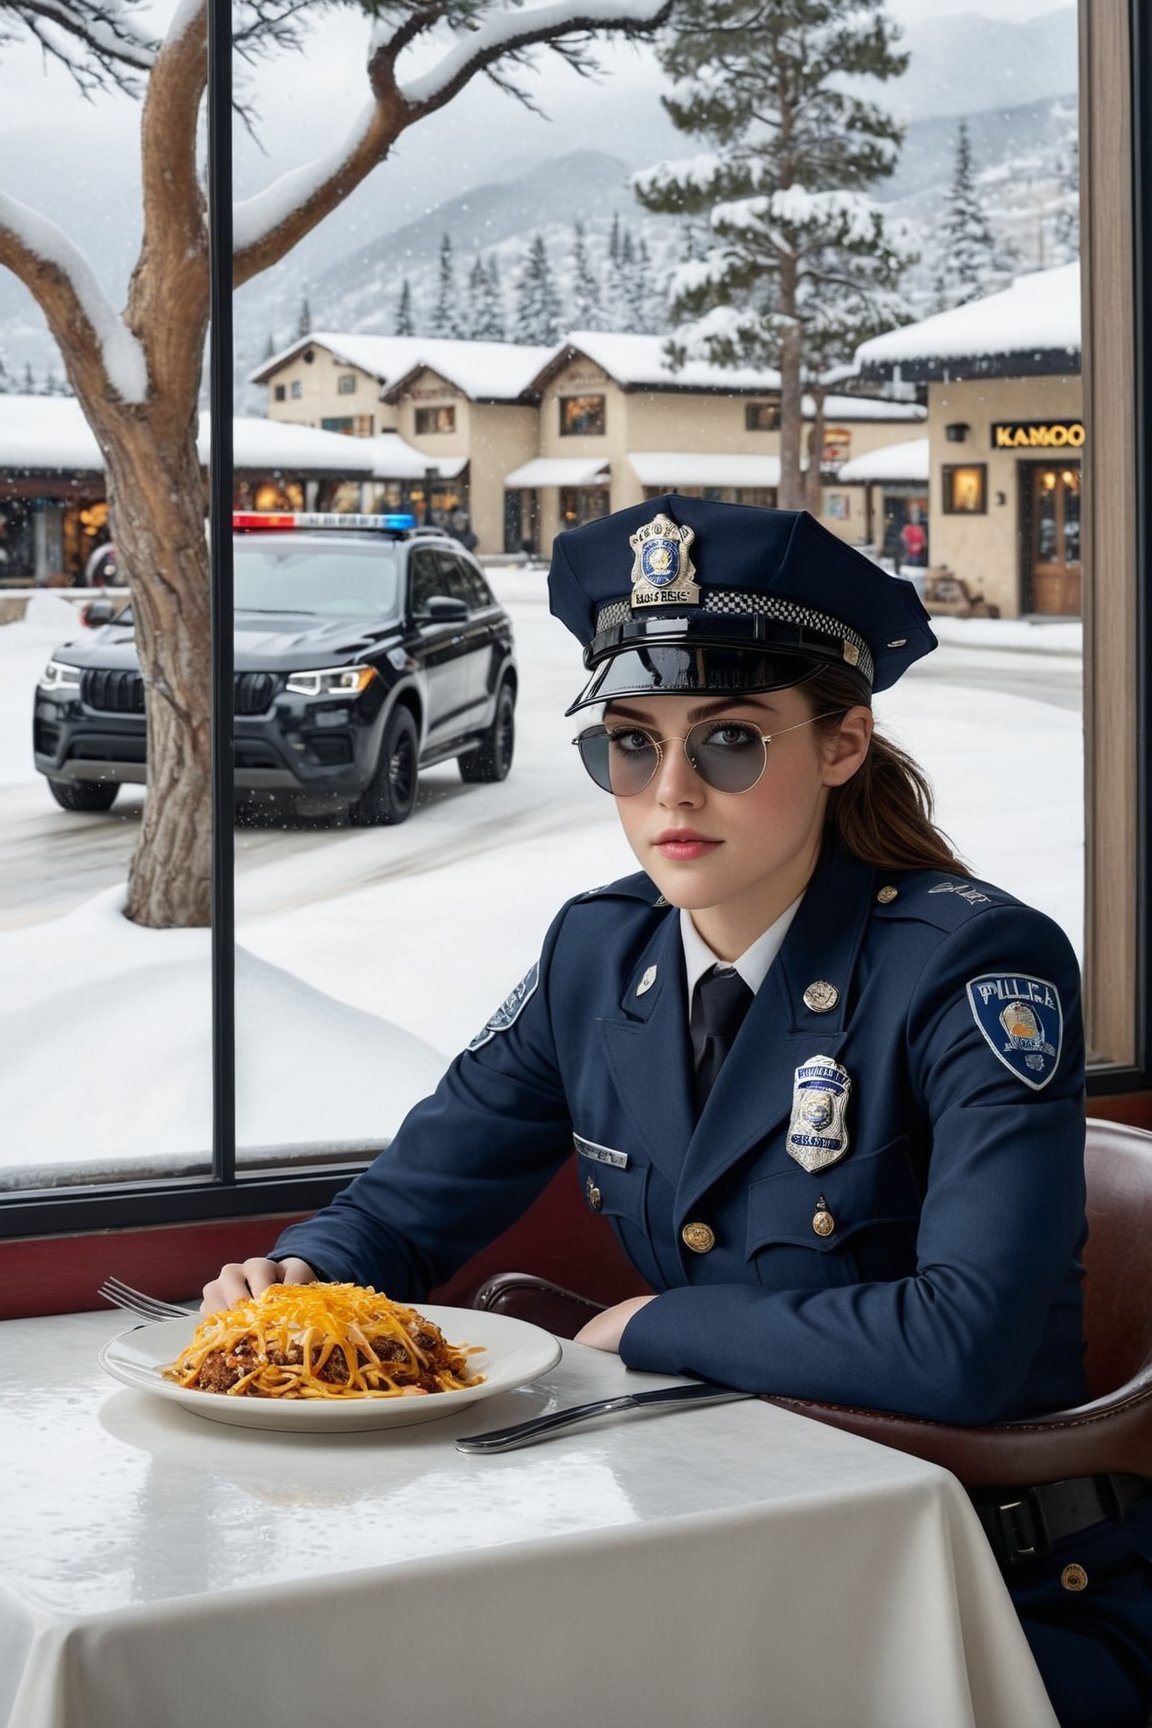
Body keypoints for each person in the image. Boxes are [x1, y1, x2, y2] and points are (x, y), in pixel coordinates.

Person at [205, 495, 1151, 1728]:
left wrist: (658, 1320)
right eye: (630, 743)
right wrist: (302, 1280)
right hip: (730, 1539)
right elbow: (419, 1198)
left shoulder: (972, 967)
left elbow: (959, 1347)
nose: (673, 793)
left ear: (843, 744)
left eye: (733, 741)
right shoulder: (600, 956)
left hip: (983, 1584)